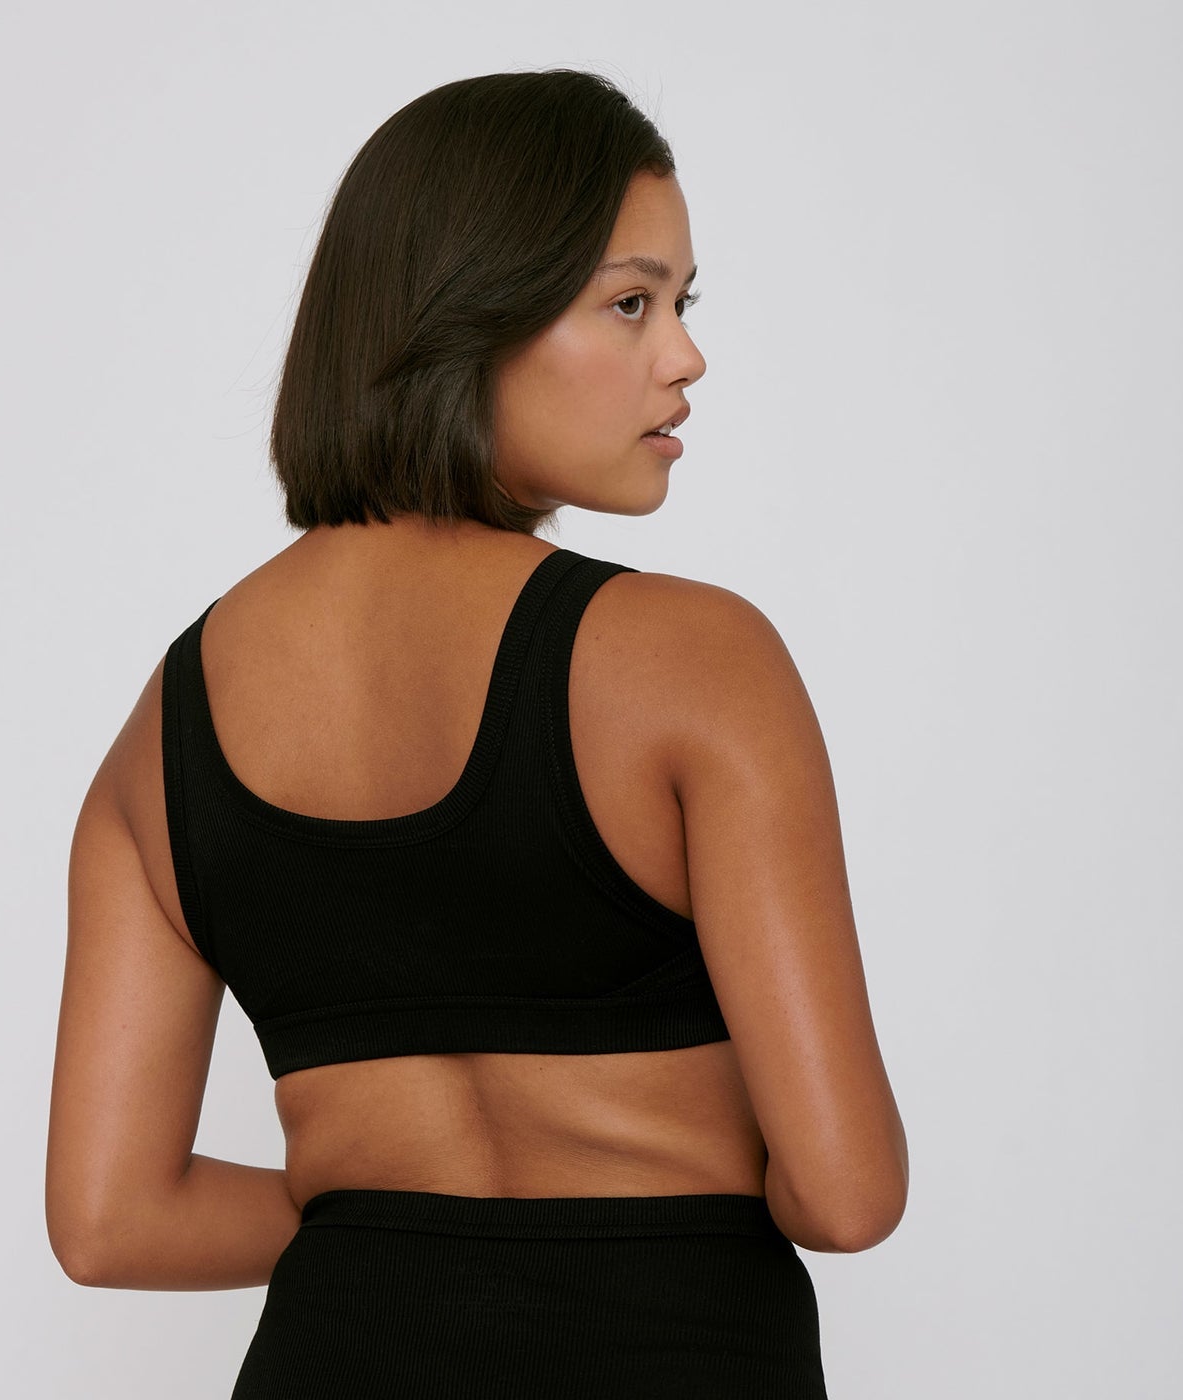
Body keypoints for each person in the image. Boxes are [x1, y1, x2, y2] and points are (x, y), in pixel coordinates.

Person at [46, 68, 908, 1398]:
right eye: (630, 302)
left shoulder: (162, 733)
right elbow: (845, 1195)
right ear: (467, 316)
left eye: (682, 305)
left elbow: (113, 1221)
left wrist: (381, 1204)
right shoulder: (693, 659)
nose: (683, 357)